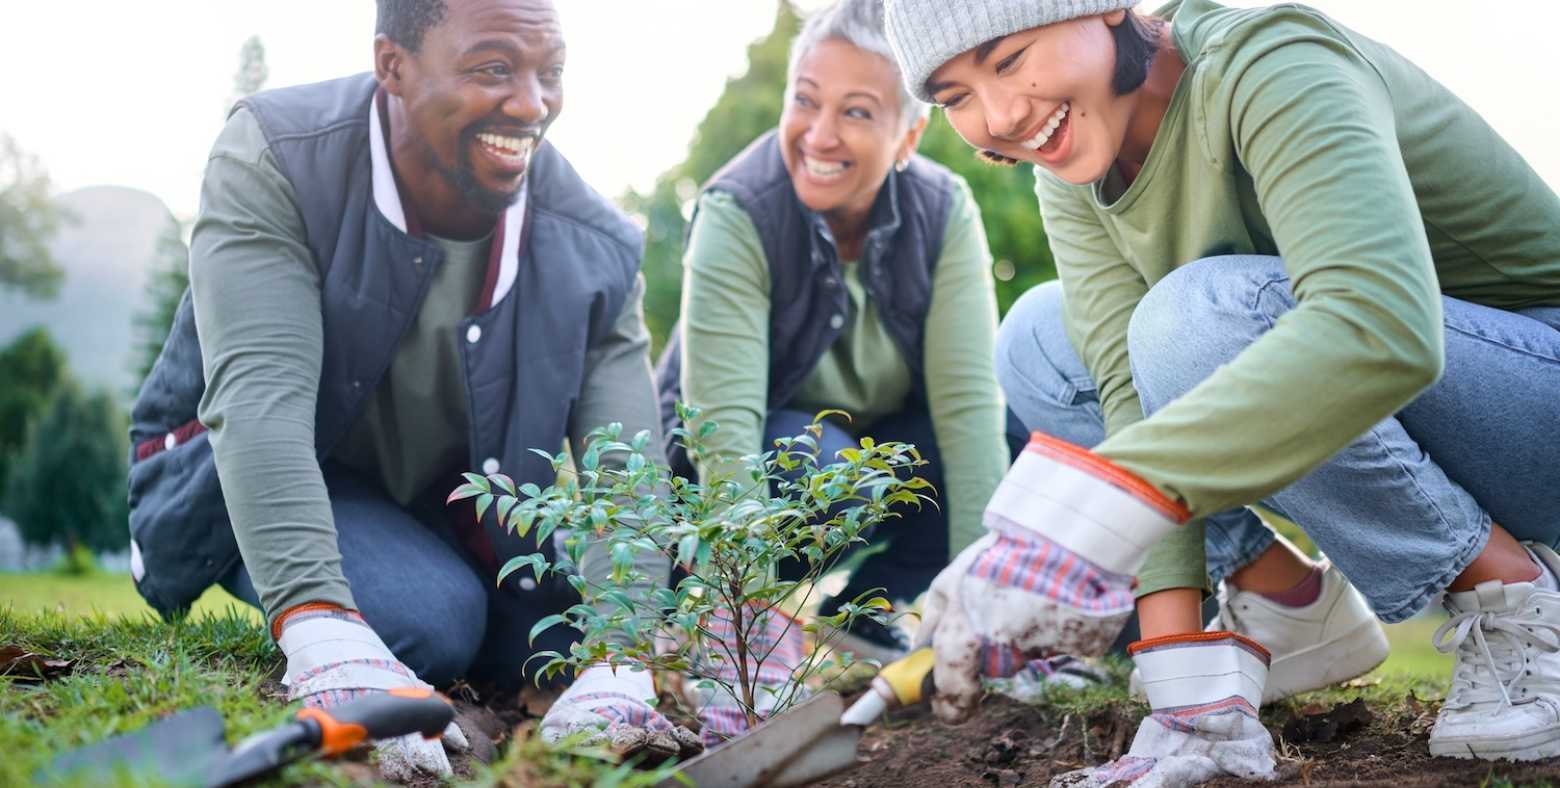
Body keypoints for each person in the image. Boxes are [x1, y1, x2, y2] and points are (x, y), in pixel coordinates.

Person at [880, 0, 1560, 783]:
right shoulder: (1075, 158)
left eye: (1007, 59)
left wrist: (1085, 518)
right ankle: (1289, 608)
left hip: (1530, 405)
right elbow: (1124, 399)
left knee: (1192, 319)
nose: (999, 115)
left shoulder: (1270, 59)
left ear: (1101, 9)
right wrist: (1188, 699)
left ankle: (1516, 604)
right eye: (955, 96)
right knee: (1039, 339)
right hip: (1417, 415)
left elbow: (1381, 326)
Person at [127, 0, 691, 777]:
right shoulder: (279, 155)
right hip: (269, 466)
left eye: (549, 73)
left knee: (560, 638)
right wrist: (320, 627)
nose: (531, 105)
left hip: (442, 504)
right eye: (493, 68)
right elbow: (259, 400)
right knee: (433, 620)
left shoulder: (595, 243)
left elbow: (626, 470)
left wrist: (619, 662)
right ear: (392, 65)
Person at [655, 0, 1011, 668]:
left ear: (907, 137)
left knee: (1011, 435)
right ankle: (718, 611)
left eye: (856, 111)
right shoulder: (738, 211)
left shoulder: (944, 213)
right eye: (806, 101)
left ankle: (882, 611)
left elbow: (968, 412)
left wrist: (977, 609)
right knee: (824, 465)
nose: (819, 135)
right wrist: (746, 614)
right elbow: (724, 433)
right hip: (739, 478)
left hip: (870, 454)